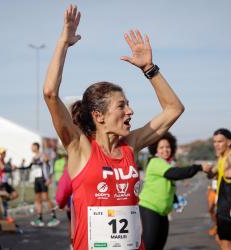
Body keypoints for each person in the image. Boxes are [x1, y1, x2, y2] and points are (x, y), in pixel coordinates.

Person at [43, 4, 184, 250]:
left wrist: (149, 69)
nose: (130, 111)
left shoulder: (130, 145)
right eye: (122, 106)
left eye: (128, 105)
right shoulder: (80, 148)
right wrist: (63, 43)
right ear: (99, 116)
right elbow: (50, 94)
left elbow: (174, 109)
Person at [138, 132, 211, 250]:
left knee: (159, 244)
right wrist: (198, 167)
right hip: (150, 208)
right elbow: (174, 174)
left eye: (168, 147)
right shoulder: (156, 162)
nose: (165, 150)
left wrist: (176, 200)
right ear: (155, 149)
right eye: (161, 147)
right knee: (150, 245)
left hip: (162, 212)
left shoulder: (167, 163)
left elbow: (167, 186)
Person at [206, 129, 231, 250]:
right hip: (223, 204)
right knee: (220, 239)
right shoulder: (222, 157)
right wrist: (207, 170)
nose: (216, 145)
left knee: (226, 243)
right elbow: (212, 174)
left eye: (220, 142)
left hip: (230, 205)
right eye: (214, 142)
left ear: (228, 142)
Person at [28, 142, 60, 227]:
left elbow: (49, 165)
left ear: (37, 147)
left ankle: (54, 217)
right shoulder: (33, 157)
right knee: (38, 199)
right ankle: (39, 219)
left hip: (43, 178)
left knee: (46, 198)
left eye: (32, 146)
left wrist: (49, 178)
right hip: (36, 179)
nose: (31, 148)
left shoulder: (43, 155)